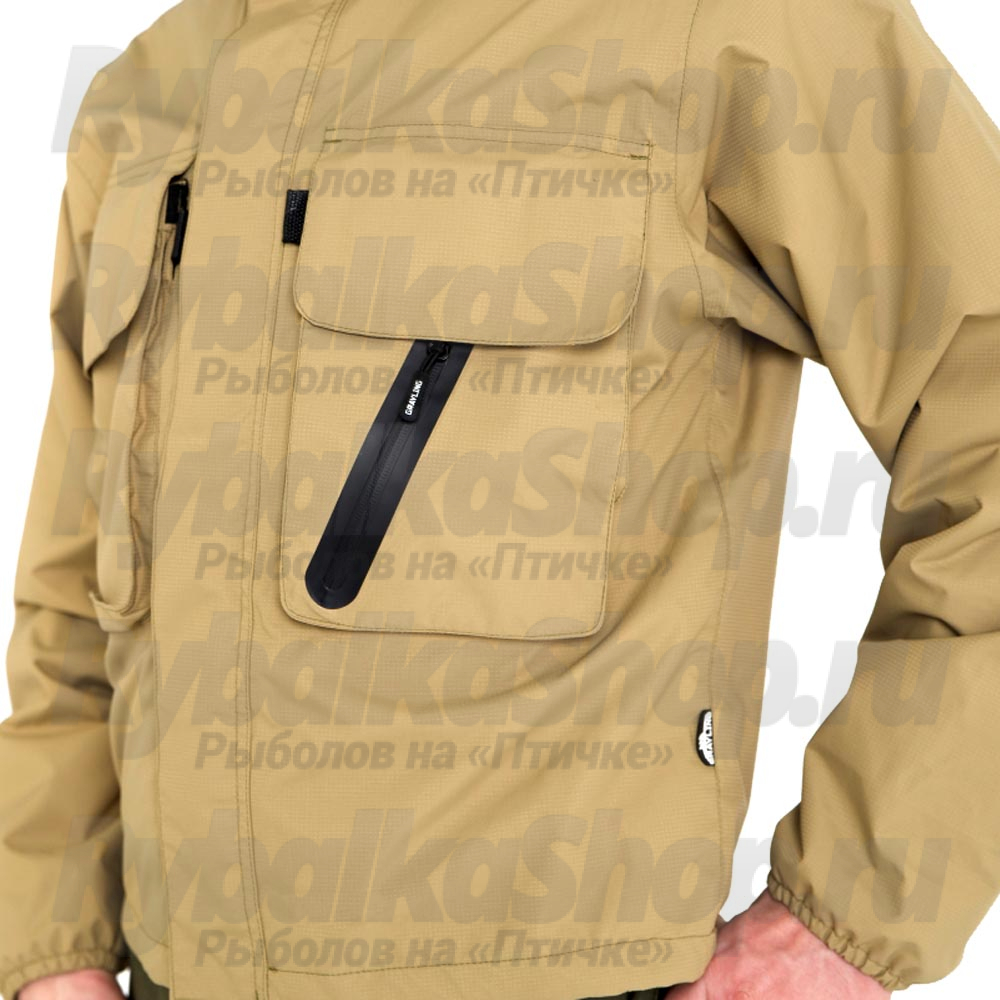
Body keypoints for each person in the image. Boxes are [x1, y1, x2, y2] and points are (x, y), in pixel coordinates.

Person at [2, 0, 998, 996]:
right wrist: (50, 941)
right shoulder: (153, 87)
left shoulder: (737, 24)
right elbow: (76, 591)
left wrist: (844, 922)